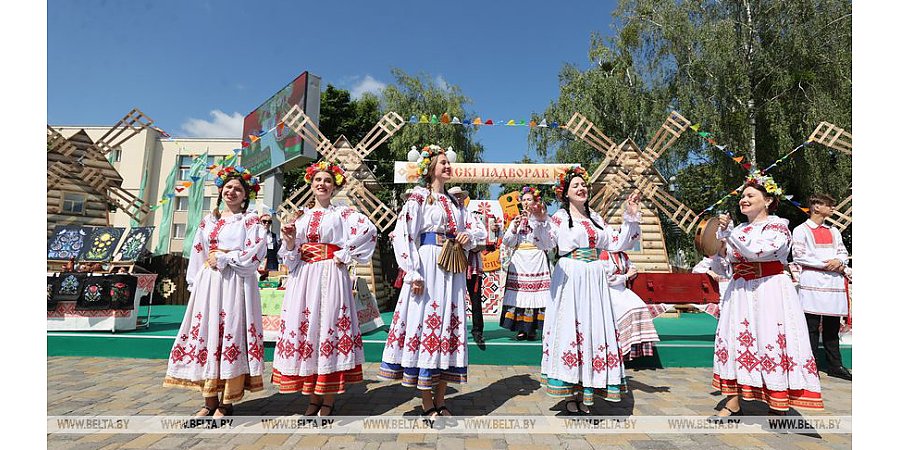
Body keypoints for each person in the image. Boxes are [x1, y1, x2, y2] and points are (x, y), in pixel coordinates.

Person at [379, 145, 486, 418]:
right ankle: (427, 401)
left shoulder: (455, 202)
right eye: (442, 163)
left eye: (448, 163)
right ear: (430, 169)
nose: (447, 167)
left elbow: (477, 231)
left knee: (447, 326)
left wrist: (466, 237)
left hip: (452, 267)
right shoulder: (419, 198)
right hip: (428, 264)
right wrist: (412, 272)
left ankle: (441, 399)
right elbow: (404, 234)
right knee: (427, 322)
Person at [710, 171, 823, 419]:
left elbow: (758, 252)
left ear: (768, 200)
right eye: (742, 195)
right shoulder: (738, 228)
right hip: (739, 291)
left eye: (750, 194)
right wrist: (717, 249)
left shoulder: (779, 227)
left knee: (770, 338)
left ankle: (777, 400)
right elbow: (724, 264)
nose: (743, 199)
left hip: (770, 289)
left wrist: (729, 236)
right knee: (736, 338)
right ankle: (733, 402)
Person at [531, 166, 643, 415]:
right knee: (570, 329)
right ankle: (571, 389)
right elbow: (547, 242)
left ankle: (589, 388)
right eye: (575, 186)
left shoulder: (596, 218)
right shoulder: (559, 217)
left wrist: (631, 217)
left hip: (594, 278)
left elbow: (617, 242)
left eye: (583, 184)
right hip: (570, 277)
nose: (581, 188)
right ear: (565, 193)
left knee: (593, 330)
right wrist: (540, 219)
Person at [270, 160, 377, 416]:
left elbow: (369, 230)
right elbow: (292, 258)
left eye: (327, 180)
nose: (322, 184)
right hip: (304, 278)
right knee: (309, 331)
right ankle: (312, 398)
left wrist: (343, 254)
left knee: (328, 328)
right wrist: (289, 241)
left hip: (330, 274)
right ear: (311, 183)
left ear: (334, 186)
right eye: (318, 180)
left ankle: (327, 399)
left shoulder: (342, 214)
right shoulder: (301, 215)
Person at [163, 166, 266, 418]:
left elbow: (255, 254)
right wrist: (196, 283)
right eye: (228, 187)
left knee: (230, 332)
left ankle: (226, 401)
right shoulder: (208, 221)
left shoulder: (250, 221)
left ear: (246, 196)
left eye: (238, 189)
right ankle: (209, 400)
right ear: (221, 191)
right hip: (210, 284)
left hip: (236, 284)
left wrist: (226, 258)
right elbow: (198, 254)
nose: (232, 192)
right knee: (207, 334)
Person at [791, 193, 852, 381]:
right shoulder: (801, 230)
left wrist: (839, 261)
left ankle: (835, 365)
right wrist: (827, 263)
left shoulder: (833, 231)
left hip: (833, 283)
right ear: (816, 206)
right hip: (813, 282)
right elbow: (799, 255)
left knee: (832, 326)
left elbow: (842, 251)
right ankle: (811, 365)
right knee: (811, 325)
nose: (832, 209)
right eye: (828, 205)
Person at [499, 186, 551, 341]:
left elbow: (546, 239)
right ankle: (521, 329)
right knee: (520, 295)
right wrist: (514, 227)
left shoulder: (542, 219)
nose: (527, 202)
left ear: (535, 202)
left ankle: (534, 328)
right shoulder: (516, 219)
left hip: (537, 257)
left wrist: (533, 220)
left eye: (530, 199)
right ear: (520, 202)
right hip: (520, 259)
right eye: (524, 200)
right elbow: (508, 242)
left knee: (537, 295)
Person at [448, 186, 491, 346]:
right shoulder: (446, 215)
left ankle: (478, 331)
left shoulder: (470, 215)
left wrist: (467, 236)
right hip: (452, 261)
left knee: (475, 297)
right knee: (453, 297)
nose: (458, 199)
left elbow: (482, 233)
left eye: (460, 196)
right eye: (454, 197)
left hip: (471, 263)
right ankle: (454, 330)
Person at [600, 250, 661, 361]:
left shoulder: (622, 255)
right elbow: (607, 278)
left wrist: (632, 271)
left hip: (622, 289)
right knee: (629, 309)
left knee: (640, 306)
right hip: (608, 291)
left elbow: (631, 267)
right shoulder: (604, 254)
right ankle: (620, 348)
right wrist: (626, 276)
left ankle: (632, 350)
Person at [691, 242, 732, 317]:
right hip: (721, 288)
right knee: (724, 310)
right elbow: (695, 270)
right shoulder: (713, 258)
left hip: (736, 286)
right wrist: (709, 271)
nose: (723, 243)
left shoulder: (733, 255)